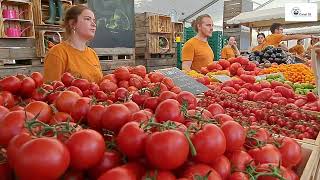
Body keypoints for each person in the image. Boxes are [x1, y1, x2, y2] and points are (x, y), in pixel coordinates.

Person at [43, 5, 103, 83]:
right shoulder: (57, 53)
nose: (94, 24)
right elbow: (51, 90)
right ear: (72, 23)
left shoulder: (93, 54)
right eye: (87, 19)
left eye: (94, 20)